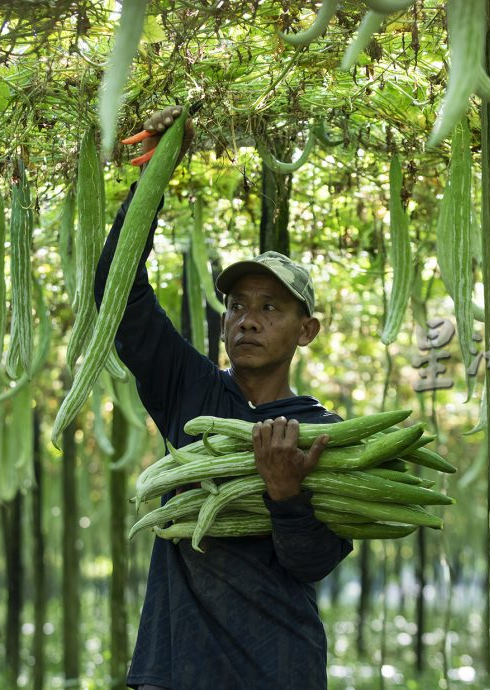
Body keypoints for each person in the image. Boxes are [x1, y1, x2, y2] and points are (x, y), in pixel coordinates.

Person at [95, 105, 353, 690]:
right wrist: (156, 173)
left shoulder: (323, 431)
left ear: (306, 330)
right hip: (175, 668)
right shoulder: (190, 389)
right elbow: (117, 291)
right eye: (236, 306)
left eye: (270, 307)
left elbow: (314, 563)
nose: (247, 320)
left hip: (279, 671)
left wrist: (286, 494)